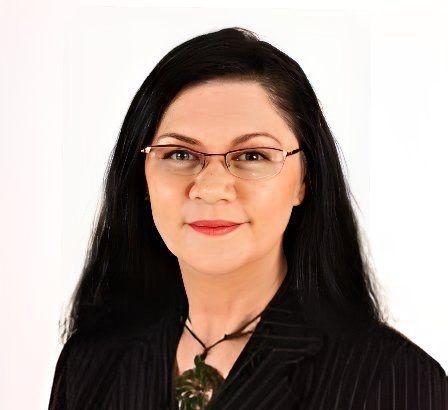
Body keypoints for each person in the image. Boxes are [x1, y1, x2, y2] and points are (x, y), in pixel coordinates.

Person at [48, 27, 447, 410]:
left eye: (252, 156)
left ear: (304, 180)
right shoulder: (89, 363)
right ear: (142, 176)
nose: (211, 188)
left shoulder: (395, 380)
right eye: (180, 154)